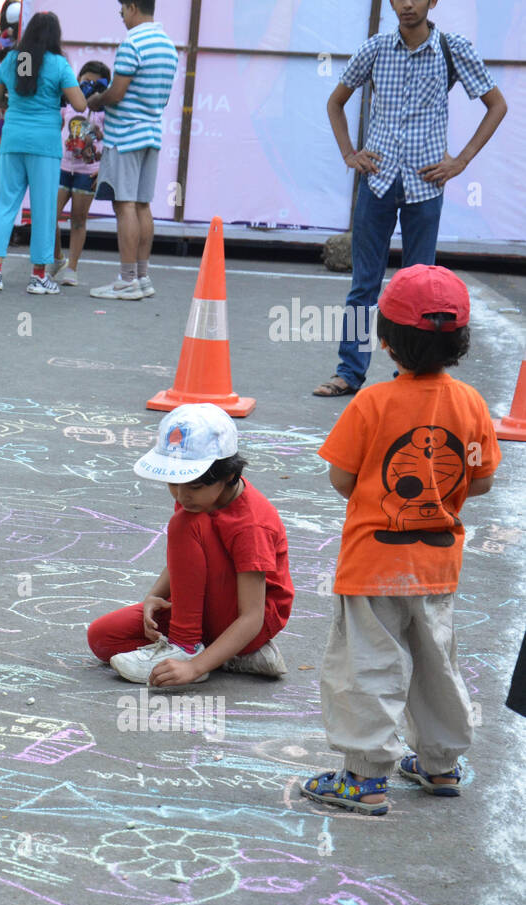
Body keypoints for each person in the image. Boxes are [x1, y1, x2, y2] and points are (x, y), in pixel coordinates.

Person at [300, 265, 500, 815]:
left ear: (385, 341)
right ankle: (440, 763)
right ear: (460, 342)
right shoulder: (472, 404)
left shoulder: (371, 402)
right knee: (437, 661)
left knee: (366, 664)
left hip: (372, 563)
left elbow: (341, 477)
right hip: (437, 564)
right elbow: (481, 479)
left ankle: (364, 777)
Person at [312, 0, 506, 399]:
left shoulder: (452, 50)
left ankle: (413, 376)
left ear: (433, 1)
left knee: (421, 288)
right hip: (377, 183)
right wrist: (351, 154)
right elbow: (335, 102)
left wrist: (461, 161)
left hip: (426, 185)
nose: (407, 4)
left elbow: (496, 105)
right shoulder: (376, 48)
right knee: (363, 286)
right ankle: (349, 372)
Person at [87, 403, 293, 687]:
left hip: (249, 621)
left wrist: (193, 668)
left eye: (193, 487)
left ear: (229, 475)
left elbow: (252, 616)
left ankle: (189, 647)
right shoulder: (196, 497)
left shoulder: (251, 524)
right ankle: (230, 656)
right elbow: (186, 559)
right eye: (174, 483)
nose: (182, 495)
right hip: (209, 609)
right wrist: (153, 596)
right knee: (104, 637)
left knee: (185, 522)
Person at [0, 12, 86, 296]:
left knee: (5, 206)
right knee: (43, 209)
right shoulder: (58, 64)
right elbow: (80, 104)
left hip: (13, 138)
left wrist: (13, 102)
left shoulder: (12, 60)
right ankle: (38, 276)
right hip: (44, 145)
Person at [85, 0, 178, 301]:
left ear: (132, 7)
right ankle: (142, 276)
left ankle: (126, 280)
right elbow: (162, 98)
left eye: (122, 10)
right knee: (142, 205)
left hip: (124, 135)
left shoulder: (133, 43)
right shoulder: (167, 45)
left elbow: (117, 92)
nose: (122, 17)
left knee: (123, 204)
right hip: (151, 133)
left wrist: (97, 100)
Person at [48, 60, 109, 287]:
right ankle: (57, 258)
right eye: (85, 81)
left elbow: (112, 139)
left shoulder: (106, 110)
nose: (89, 86)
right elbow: (56, 124)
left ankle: (72, 268)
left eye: (95, 82)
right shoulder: (68, 102)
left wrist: (104, 166)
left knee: (78, 221)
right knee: (49, 215)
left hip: (89, 171)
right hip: (63, 166)